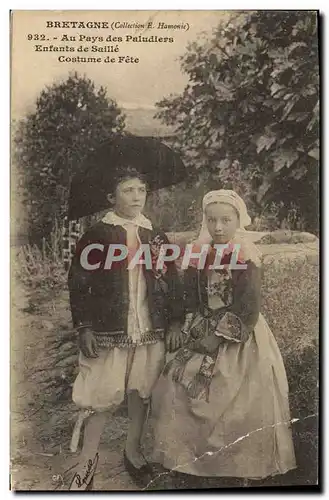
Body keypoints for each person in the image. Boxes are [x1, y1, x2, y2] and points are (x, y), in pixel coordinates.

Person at [151, 189, 296, 488]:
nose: (218, 227)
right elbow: (188, 295)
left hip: (238, 333)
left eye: (225, 220)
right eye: (212, 220)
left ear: (237, 221)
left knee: (241, 395)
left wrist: (218, 338)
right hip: (203, 323)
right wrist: (181, 323)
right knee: (177, 380)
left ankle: (241, 465)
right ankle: (187, 458)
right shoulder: (197, 252)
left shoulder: (246, 255)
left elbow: (248, 305)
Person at [67, 166, 183, 490]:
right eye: (128, 190)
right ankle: (87, 462)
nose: (136, 197)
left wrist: (174, 321)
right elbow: (79, 284)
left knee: (140, 391)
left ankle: (132, 451)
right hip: (110, 330)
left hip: (148, 327)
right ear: (111, 197)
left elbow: (171, 281)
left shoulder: (155, 235)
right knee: (101, 395)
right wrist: (85, 328)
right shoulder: (97, 235)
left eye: (141, 190)